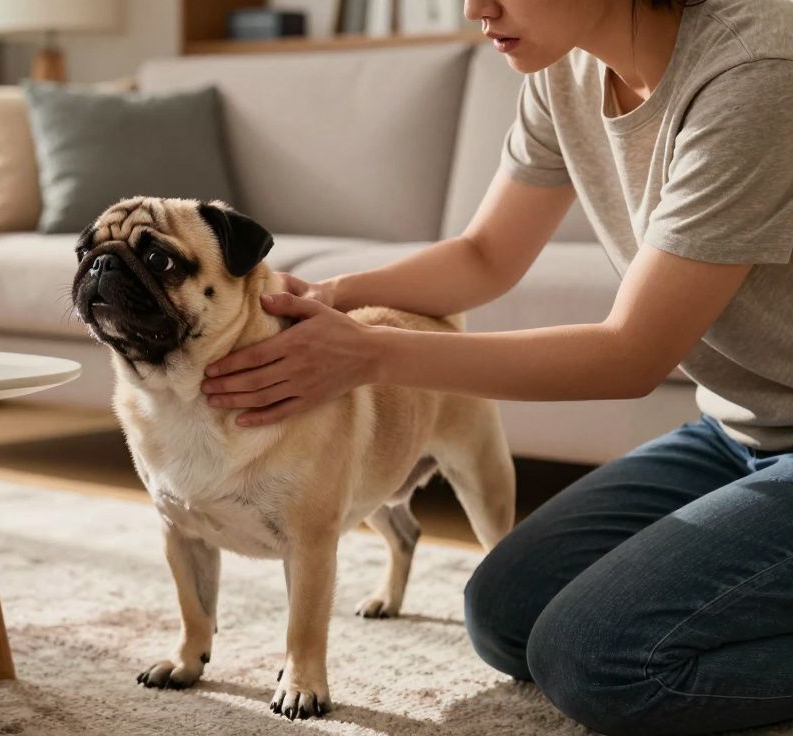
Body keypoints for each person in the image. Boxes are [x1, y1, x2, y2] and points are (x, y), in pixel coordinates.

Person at [197, 0, 793, 733]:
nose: (475, 8)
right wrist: (331, 296)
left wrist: (370, 353)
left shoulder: (758, 70)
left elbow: (632, 354)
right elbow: (485, 257)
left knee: (597, 661)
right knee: (505, 614)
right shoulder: (566, 68)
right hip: (739, 432)